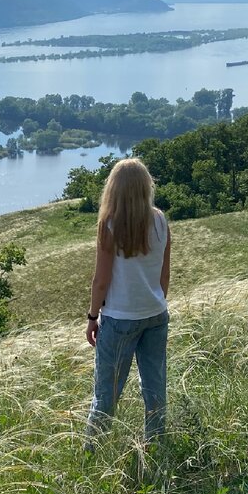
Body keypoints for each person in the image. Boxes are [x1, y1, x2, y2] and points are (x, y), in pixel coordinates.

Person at [84, 157, 171, 446]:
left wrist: (92, 317)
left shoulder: (109, 225)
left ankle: (91, 454)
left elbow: (101, 280)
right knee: (155, 388)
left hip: (120, 319)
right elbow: (164, 275)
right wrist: (153, 302)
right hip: (156, 314)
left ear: (114, 189)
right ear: (147, 186)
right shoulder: (160, 220)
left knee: (106, 394)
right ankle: (157, 447)